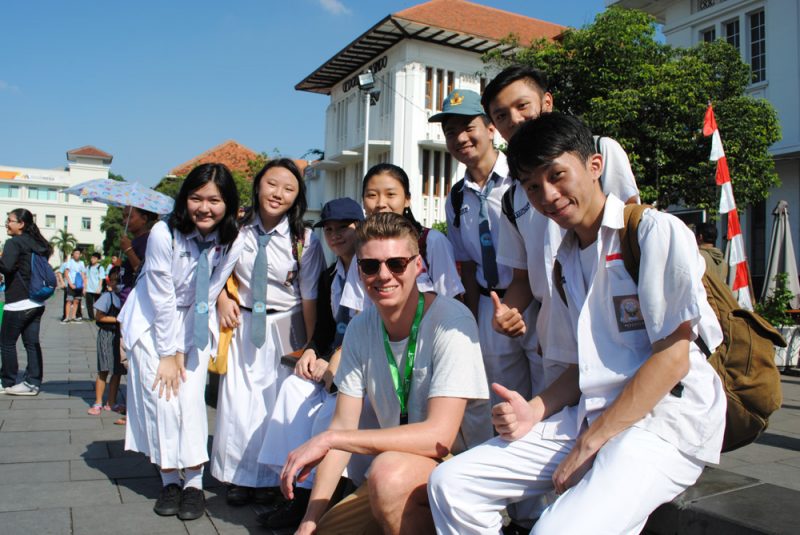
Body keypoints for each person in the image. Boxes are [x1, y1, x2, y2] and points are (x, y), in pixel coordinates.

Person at [428, 113, 726, 534]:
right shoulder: (564, 260)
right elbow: (582, 367)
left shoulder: (652, 232)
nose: (548, 195)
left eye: (557, 175)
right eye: (532, 186)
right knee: (450, 483)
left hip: (662, 424)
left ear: (594, 166)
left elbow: (673, 360)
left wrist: (592, 440)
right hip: (590, 415)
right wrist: (533, 410)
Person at [281, 212, 492, 535]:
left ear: (418, 265)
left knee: (386, 474)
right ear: (358, 270)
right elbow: (341, 429)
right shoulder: (360, 328)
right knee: (324, 531)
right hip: (398, 469)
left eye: (396, 264)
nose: (383, 275)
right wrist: (308, 522)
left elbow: (438, 438)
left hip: (458, 470)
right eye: (370, 266)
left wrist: (331, 437)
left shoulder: (451, 320)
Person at [119, 163, 240, 521]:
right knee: (162, 400)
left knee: (190, 401)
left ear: (228, 204)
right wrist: (169, 352)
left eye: (215, 200)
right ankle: (169, 478)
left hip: (195, 318)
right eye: (196, 198)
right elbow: (160, 294)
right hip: (153, 321)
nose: (205, 207)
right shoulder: (163, 232)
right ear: (184, 200)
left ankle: (194, 483)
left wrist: (191, 340)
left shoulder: (232, 238)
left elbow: (215, 286)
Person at [211, 158, 325, 506]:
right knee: (236, 403)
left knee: (274, 404)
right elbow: (213, 271)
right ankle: (236, 477)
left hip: (284, 325)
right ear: (258, 185)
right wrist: (220, 300)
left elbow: (309, 296)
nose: (278, 193)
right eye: (272, 184)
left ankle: (270, 480)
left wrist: (308, 345)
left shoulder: (304, 239)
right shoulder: (237, 228)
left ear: (297, 197)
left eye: (289, 188)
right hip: (243, 323)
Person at [256, 197, 366, 529]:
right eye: (328, 229)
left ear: (359, 227)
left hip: (360, 364)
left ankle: (317, 502)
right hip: (331, 362)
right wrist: (311, 351)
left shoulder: (371, 267)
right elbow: (324, 328)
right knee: (291, 390)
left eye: (342, 228)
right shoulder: (331, 274)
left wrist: (335, 358)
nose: (334, 236)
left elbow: (368, 324)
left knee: (325, 415)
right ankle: (291, 489)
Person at [431, 88, 539, 404]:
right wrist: (471, 322)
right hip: (490, 309)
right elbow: (466, 266)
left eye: (468, 127)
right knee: (506, 400)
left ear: (491, 128)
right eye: (451, 133)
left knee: (548, 392)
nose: (460, 138)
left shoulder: (523, 179)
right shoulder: (455, 198)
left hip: (537, 303)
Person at [339, 163, 463, 312]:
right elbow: (358, 310)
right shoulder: (362, 251)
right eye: (372, 195)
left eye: (390, 194)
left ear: (407, 199)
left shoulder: (432, 242)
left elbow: (451, 302)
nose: (380, 204)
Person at [0, 208, 54, 396]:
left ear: (21, 224)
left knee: (6, 343)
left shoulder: (14, 243)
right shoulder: (38, 243)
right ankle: (33, 382)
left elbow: (6, 267)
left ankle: (6, 381)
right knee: (32, 343)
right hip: (37, 301)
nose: (7, 223)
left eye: (10, 220)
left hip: (18, 302)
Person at [87, 266, 126, 415]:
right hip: (106, 335)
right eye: (116, 280)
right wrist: (118, 319)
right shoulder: (107, 297)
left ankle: (111, 402)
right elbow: (99, 316)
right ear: (110, 281)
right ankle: (98, 402)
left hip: (120, 335)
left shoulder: (126, 297)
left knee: (117, 371)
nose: (119, 283)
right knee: (103, 369)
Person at [119, 206, 158, 305]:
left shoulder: (149, 241)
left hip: (138, 301)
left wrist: (128, 250)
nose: (125, 221)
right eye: (123, 217)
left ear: (144, 219)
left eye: (129, 217)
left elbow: (143, 271)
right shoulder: (133, 241)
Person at [62, 249, 87, 323]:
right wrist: (70, 284)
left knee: (76, 300)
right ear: (73, 254)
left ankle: (73, 316)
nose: (77, 255)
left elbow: (83, 274)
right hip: (72, 284)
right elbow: (66, 274)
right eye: (75, 253)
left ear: (80, 255)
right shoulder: (69, 262)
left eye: (78, 253)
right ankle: (67, 317)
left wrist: (84, 286)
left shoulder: (82, 263)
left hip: (79, 284)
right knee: (69, 300)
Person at [84, 252, 107, 320]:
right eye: (92, 257)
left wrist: (99, 288)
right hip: (89, 288)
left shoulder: (100, 267)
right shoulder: (88, 267)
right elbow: (86, 277)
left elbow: (101, 278)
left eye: (94, 258)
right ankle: (91, 317)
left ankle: (98, 316)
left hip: (96, 289)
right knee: (89, 304)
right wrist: (85, 287)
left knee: (98, 304)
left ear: (98, 259)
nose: (92, 259)